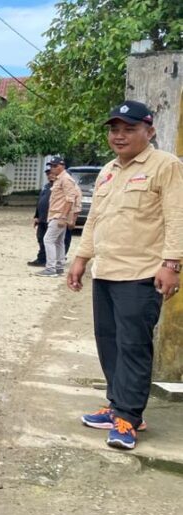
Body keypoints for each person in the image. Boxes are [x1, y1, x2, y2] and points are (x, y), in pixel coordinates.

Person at [69, 100, 182, 451]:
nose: (119, 136)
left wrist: (172, 264)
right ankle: (117, 404)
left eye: (129, 129)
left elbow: (177, 215)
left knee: (133, 346)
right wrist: (81, 258)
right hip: (106, 271)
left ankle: (129, 418)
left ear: (150, 131)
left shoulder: (166, 166)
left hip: (141, 274)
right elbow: (95, 219)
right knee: (109, 342)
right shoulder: (108, 170)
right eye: (114, 130)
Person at [37, 156, 79, 277]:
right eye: (51, 166)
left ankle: (51, 268)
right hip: (56, 214)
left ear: (62, 166)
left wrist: (63, 216)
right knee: (59, 241)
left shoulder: (66, 179)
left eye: (55, 166)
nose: (52, 168)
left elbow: (70, 199)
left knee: (48, 240)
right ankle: (59, 267)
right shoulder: (59, 179)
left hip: (59, 215)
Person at [29, 165, 72, 267]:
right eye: (48, 174)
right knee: (41, 238)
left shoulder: (63, 186)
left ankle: (56, 262)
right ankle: (42, 258)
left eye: (52, 173)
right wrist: (37, 216)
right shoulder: (46, 186)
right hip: (43, 218)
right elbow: (40, 201)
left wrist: (69, 217)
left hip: (56, 217)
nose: (50, 176)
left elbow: (71, 201)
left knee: (56, 240)